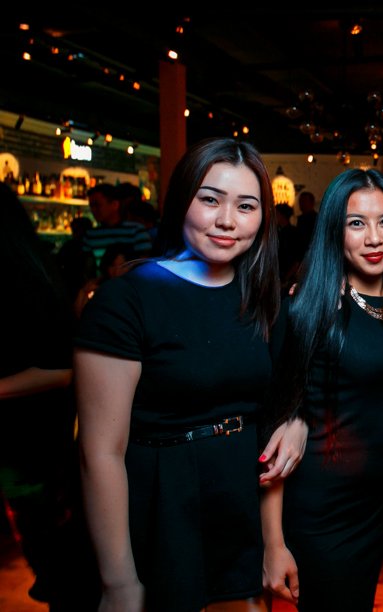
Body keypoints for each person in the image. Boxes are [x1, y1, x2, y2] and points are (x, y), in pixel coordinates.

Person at [74, 137, 307, 612]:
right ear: (181, 200)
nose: (227, 220)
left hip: (237, 500)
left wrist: (295, 422)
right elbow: (101, 451)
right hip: (160, 503)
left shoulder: (262, 299)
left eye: (246, 206)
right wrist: (118, 580)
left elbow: (274, 407)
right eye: (210, 199)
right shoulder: (127, 300)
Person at [261, 169, 383, 610]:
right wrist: (273, 543)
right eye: (356, 223)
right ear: (334, 229)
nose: (374, 238)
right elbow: (274, 436)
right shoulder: (309, 308)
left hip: (376, 507)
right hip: (322, 507)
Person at [0, 183, 101, 610]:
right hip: (38, 440)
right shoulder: (34, 266)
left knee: (57, 558)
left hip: (30, 442)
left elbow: (64, 369)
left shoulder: (20, 276)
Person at [83, 183, 153, 269]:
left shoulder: (136, 231)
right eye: (91, 206)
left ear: (115, 205)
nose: (93, 210)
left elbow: (145, 265)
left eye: (97, 205)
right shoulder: (90, 235)